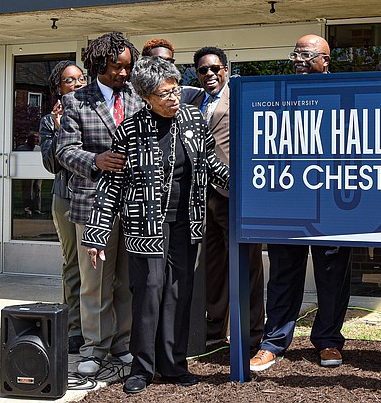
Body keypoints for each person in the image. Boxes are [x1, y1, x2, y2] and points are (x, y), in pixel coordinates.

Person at [82, 56, 230, 394]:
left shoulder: (193, 118)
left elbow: (209, 163)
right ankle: (142, 367)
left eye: (176, 90)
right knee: (148, 292)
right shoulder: (131, 130)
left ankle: (174, 365)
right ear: (146, 97)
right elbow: (112, 185)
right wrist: (96, 234)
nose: (174, 98)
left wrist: (239, 186)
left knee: (179, 293)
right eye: (165, 94)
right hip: (145, 225)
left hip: (186, 221)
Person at [249, 34, 353, 371]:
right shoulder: (277, 96)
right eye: (295, 53)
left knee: (332, 274)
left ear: (325, 61)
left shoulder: (345, 96)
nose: (298, 59)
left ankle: (328, 341)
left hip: (334, 203)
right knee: (282, 274)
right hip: (287, 201)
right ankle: (273, 343)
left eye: (306, 54)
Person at [56, 32, 143, 375]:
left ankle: (122, 342)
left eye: (127, 68)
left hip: (132, 203)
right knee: (95, 281)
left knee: (124, 279)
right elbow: (64, 151)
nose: (123, 74)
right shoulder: (78, 101)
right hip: (92, 204)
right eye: (116, 67)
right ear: (98, 64)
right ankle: (94, 347)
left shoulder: (138, 97)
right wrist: (96, 161)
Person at [191, 46, 265, 348]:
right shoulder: (191, 101)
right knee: (212, 268)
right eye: (202, 70)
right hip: (200, 197)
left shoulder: (244, 97)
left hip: (234, 194)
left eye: (215, 68)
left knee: (247, 267)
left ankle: (252, 335)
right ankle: (214, 331)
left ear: (226, 68)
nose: (209, 74)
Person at [39, 60, 87, 354]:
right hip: (65, 197)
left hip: (95, 195)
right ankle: (75, 329)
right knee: (73, 264)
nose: (78, 84)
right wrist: (57, 128)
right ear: (59, 87)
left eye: (81, 79)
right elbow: (52, 164)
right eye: (70, 80)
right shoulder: (48, 121)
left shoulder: (95, 112)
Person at [16, 132, 42, 215]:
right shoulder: (21, 148)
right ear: (29, 138)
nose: (37, 139)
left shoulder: (39, 148)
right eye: (35, 138)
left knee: (38, 190)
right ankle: (28, 209)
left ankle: (37, 210)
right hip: (26, 173)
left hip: (38, 172)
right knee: (27, 191)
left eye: (38, 138)